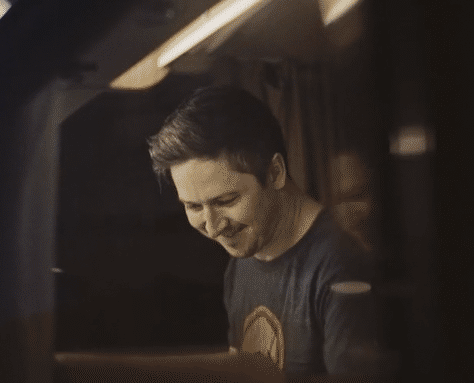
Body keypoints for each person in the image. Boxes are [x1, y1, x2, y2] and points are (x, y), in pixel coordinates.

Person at [145, 85, 379, 378]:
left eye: (226, 201)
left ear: (275, 173)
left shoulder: (340, 265)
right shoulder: (241, 261)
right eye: (193, 206)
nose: (213, 227)